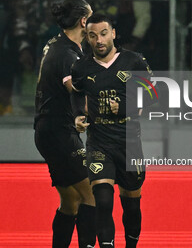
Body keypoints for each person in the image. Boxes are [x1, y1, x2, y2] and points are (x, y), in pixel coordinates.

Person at [71, 13, 154, 248]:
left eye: (104, 34)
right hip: (98, 144)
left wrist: (124, 107)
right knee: (103, 201)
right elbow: (76, 92)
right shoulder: (81, 67)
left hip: (129, 143)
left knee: (131, 205)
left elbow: (154, 96)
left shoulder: (135, 62)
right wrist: (78, 115)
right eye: (93, 35)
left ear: (113, 34)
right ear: (87, 38)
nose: (99, 40)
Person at [33, 0, 95, 248]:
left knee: (70, 201)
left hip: (48, 131)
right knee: (92, 194)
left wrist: (78, 115)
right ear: (83, 21)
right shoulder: (67, 54)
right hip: (59, 133)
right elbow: (75, 89)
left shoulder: (56, 44)